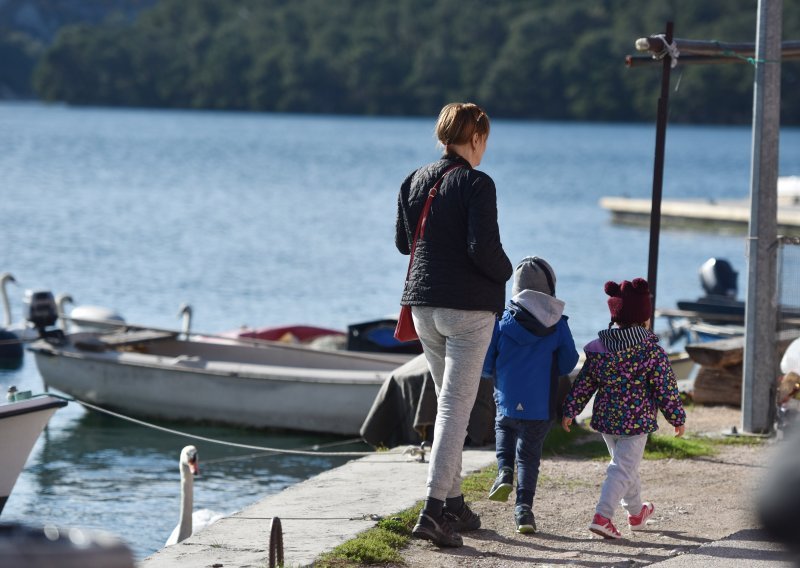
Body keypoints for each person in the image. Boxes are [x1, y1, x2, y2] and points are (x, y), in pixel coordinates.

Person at [395, 102, 512, 548]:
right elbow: (483, 249)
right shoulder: (478, 184)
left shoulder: (414, 179)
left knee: (450, 406)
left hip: (424, 307)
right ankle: (432, 511)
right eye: (486, 140)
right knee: (453, 411)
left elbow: (405, 243)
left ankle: (456, 502)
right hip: (468, 313)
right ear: (476, 137)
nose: (485, 149)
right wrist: (509, 273)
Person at [561, 277, 686, 539]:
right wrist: (676, 417)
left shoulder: (599, 349)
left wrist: (571, 409)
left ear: (615, 316)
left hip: (607, 421)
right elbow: (666, 388)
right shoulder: (651, 351)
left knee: (624, 467)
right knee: (622, 468)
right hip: (636, 423)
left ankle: (636, 514)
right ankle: (602, 516)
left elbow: (585, 383)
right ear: (644, 318)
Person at [482, 256, 579, 534]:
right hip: (540, 406)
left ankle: (504, 471)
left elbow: (486, 366)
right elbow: (568, 363)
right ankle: (523, 511)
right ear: (550, 289)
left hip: (508, 400)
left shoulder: (500, 322)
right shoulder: (558, 324)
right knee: (529, 457)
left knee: (504, 428)